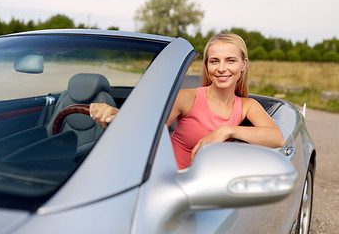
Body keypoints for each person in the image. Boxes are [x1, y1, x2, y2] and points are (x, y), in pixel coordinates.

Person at [90, 33, 284, 170]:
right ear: (207, 65)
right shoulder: (188, 98)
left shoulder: (247, 106)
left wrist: (227, 130)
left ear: (244, 64)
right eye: (214, 61)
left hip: (210, 189)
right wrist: (116, 116)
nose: (221, 68)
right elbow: (147, 130)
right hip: (171, 182)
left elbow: (276, 138)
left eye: (230, 60)